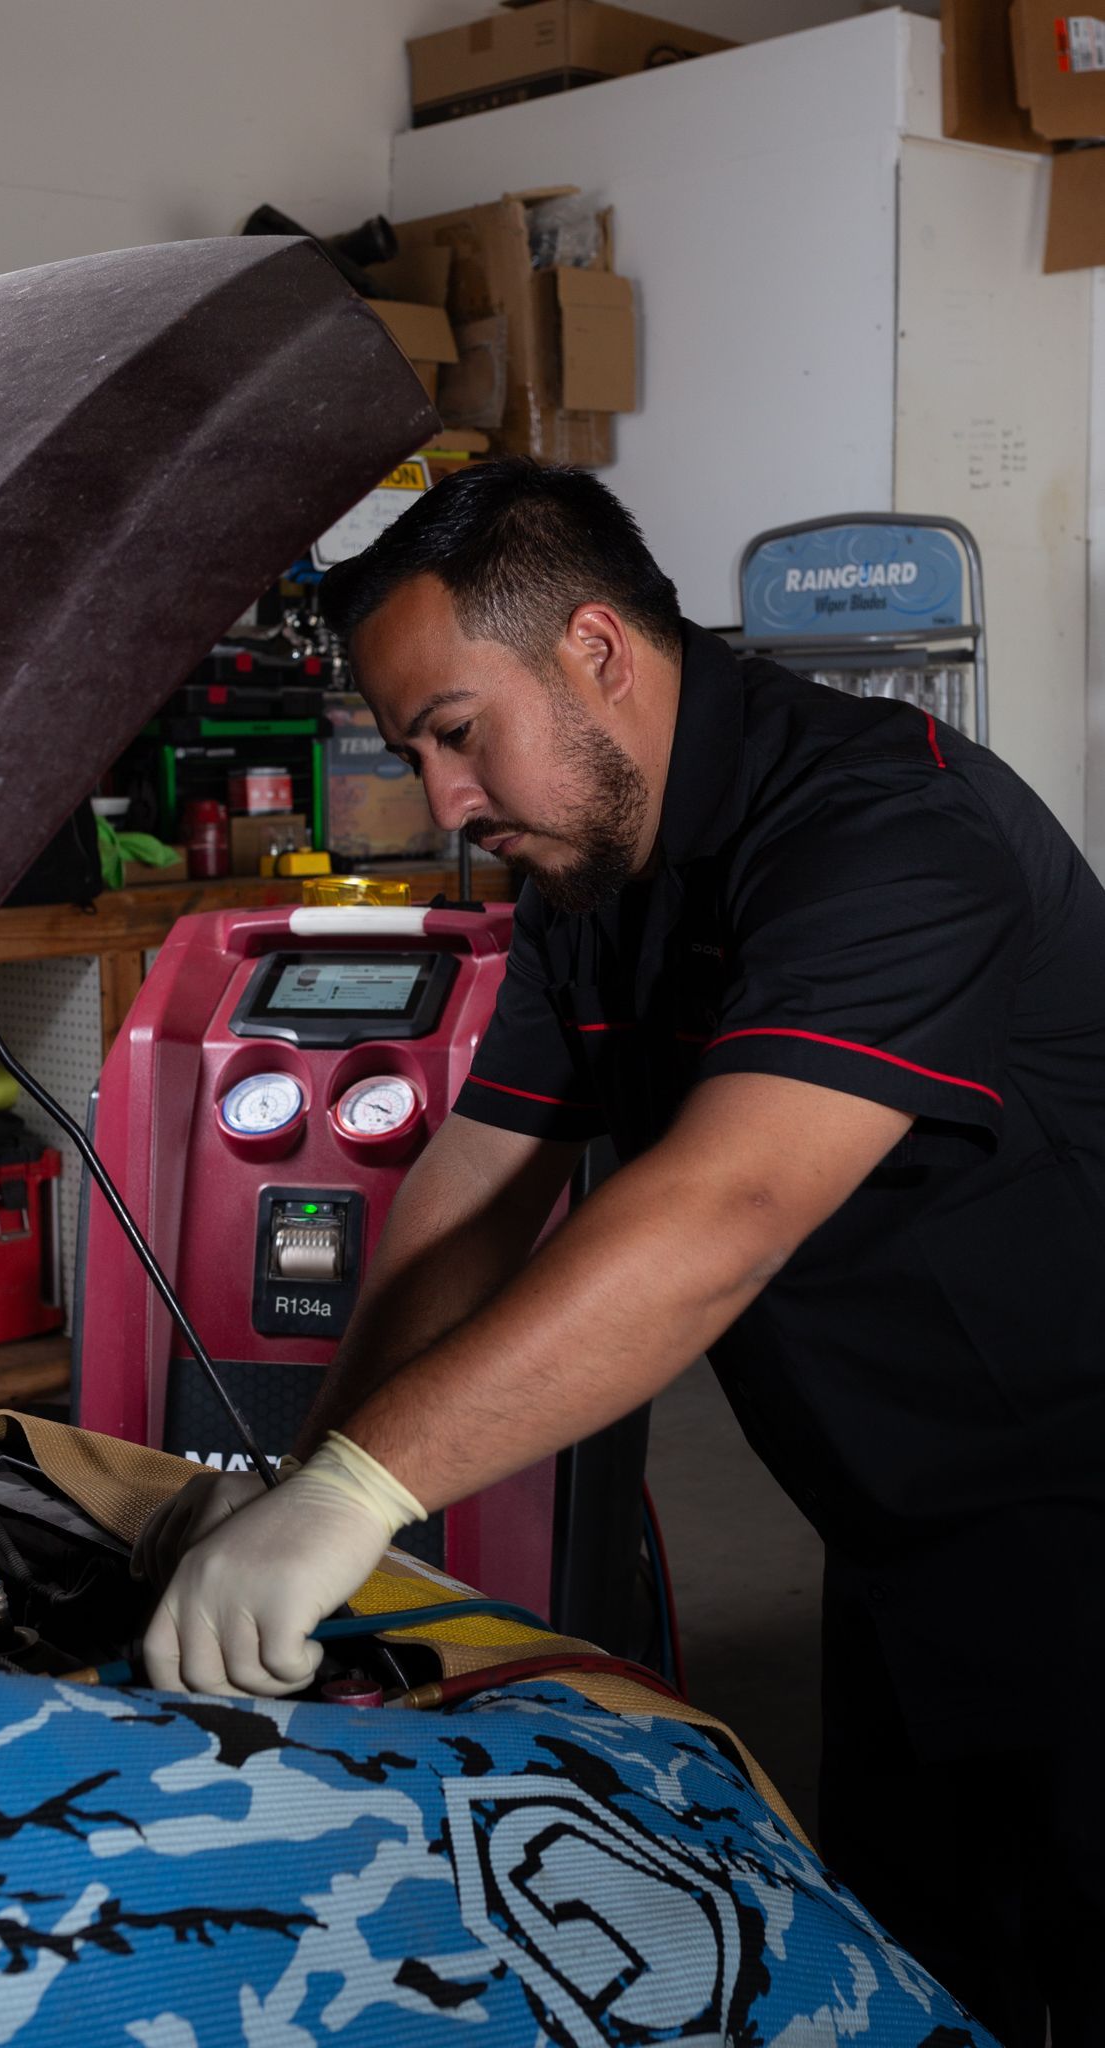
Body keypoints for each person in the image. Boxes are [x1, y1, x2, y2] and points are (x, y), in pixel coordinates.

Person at [139, 458, 1105, 2048]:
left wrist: (363, 1497)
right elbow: (473, 1190)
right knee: (917, 1971)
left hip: (1078, 1509)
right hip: (898, 1533)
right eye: (414, 754)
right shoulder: (594, 864)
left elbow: (718, 1216)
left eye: (455, 732)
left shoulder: (890, 832)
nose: (444, 801)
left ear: (594, 648)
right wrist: (309, 1479)